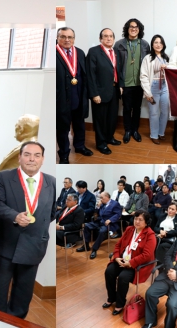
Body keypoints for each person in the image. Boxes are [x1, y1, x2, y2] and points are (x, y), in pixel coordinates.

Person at [0, 141, 55, 319]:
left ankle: (16, 321)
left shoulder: (51, 182)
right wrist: (15, 216)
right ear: (19, 157)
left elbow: (52, 211)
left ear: (43, 159)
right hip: (7, 242)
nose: (32, 159)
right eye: (27, 154)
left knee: (24, 291)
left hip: (34, 245)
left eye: (37, 155)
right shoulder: (5, 177)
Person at [103, 210, 156, 316]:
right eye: (136, 219)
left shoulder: (150, 235)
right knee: (109, 271)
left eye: (140, 220)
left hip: (136, 265)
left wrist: (130, 263)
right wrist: (117, 257)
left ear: (146, 222)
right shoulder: (129, 229)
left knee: (123, 278)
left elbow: (147, 255)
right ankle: (111, 298)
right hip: (122, 260)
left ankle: (120, 304)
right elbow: (118, 245)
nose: (137, 221)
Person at [56, 27, 93, 163]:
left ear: (74, 39)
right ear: (58, 38)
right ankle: (64, 154)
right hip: (61, 99)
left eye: (70, 37)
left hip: (78, 96)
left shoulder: (80, 52)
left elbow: (84, 75)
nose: (67, 40)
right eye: (63, 37)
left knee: (79, 124)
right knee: (62, 128)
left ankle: (79, 146)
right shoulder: (54, 54)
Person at [87, 28, 125, 155]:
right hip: (100, 92)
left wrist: (120, 85)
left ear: (114, 39)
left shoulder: (115, 52)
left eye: (111, 36)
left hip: (114, 90)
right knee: (100, 120)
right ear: (100, 39)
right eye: (105, 36)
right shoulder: (94, 52)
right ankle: (101, 144)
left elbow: (118, 70)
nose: (109, 38)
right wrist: (94, 93)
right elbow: (90, 75)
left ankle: (109, 138)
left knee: (112, 118)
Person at [115, 18, 151, 144]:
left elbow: (149, 64)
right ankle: (127, 131)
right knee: (126, 108)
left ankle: (135, 130)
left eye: (136, 27)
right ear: (127, 29)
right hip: (125, 83)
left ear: (139, 29)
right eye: (131, 26)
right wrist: (119, 83)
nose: (133, 29)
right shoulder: (119, 44)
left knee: (137, 108)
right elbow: (115, 66)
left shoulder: (145, 44)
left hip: (139, 83)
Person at [140, 35, 171, 144]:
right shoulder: (147, 58)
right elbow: (143, 76)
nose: (158, 45)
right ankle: (154, 135)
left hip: (165, 87)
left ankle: (161, 133)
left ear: (163, 45)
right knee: (153, 112)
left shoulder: (166, 57)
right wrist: (147, 92)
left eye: (160, 42)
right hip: (153, 87)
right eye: (156, 42)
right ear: (152, 45)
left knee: (165, 112)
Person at [78, 191, 121, 259]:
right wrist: (98, 206)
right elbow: (96, 213)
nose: (100, 199)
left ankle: (94, 249)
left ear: (107, 197)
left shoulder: (115, 204)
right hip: (99, 221)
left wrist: (110, 220)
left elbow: (118, 214)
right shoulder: (102, 204)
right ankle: (86, 245)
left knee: (101, 231)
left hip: (108, 223)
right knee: (86, 226)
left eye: (102, 197)